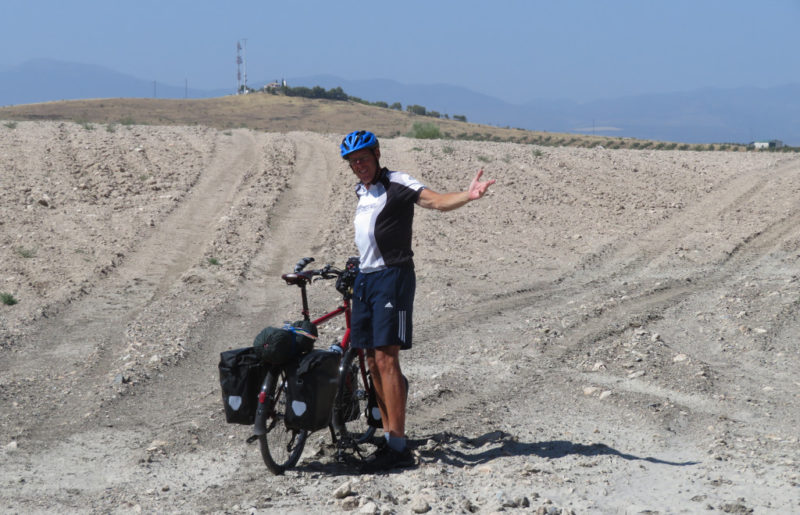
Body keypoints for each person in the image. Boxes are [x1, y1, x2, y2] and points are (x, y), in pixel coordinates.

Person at [340, 129, 495, 472]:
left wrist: (468, 195)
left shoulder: (397, 183)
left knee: (386, 358)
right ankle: (389, 435)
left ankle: (397, 446)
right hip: (366, 279)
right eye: (352, 162)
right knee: (370, 360)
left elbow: (435, 201)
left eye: (363, 158)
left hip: (392, 278)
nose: (358, 166)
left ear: (377, 154)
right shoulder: (362, 192)